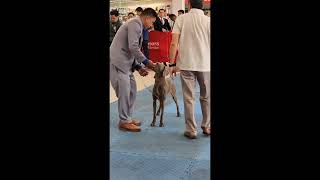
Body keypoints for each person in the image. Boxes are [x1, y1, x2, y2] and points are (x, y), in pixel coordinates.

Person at [110, 8, 157, 132]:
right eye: (152, 22)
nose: (151, 25)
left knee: (132, 90)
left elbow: (130, 49)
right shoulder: (135, 23)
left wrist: (138, 67)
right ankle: (124, 121)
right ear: (147, 18)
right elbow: (133, 47)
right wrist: (146, 62)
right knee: (124, 91)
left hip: (126, 62)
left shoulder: (137, 25)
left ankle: (127, 118)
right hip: (118, 62)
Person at [168, 0, 211, 139]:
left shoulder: (181, 19)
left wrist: (172, 64)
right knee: (206, 97)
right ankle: (207, 126)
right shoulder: (208, 21)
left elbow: (174, 43)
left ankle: (191, 130)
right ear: (203, 6)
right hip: (205, 64)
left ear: (189, 5)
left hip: (186, 64)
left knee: (188, 97)